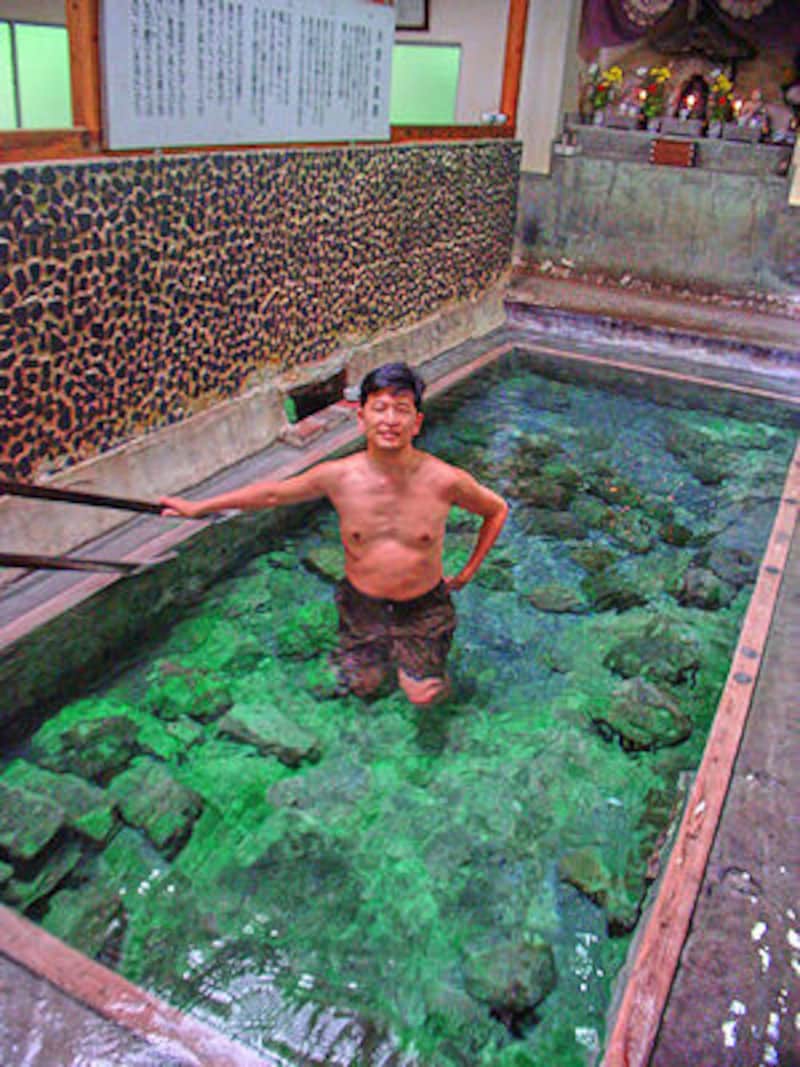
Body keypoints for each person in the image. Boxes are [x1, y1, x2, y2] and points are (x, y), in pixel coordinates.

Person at [160, 362, 509, 706]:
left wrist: (467, 573)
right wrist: (199, 507)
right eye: (380, 408)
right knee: (363, 686)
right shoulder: (338, 477)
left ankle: (451, 691)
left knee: (421, 696)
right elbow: (272, 494)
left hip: (423, 606)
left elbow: (496, 510)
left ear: (416, 422)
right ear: (362, 417)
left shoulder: (444, 480)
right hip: (362, 604)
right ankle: (380, 658)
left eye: (401, 410)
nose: (389, 420)